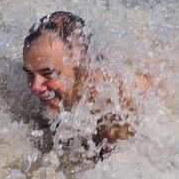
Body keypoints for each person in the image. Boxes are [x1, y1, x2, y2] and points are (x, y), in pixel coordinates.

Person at [23, 11, 151, 152]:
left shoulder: (115, 114)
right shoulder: (48, 99)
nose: (35, 87)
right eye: (30, 73)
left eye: (48, 73)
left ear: (81, 67)